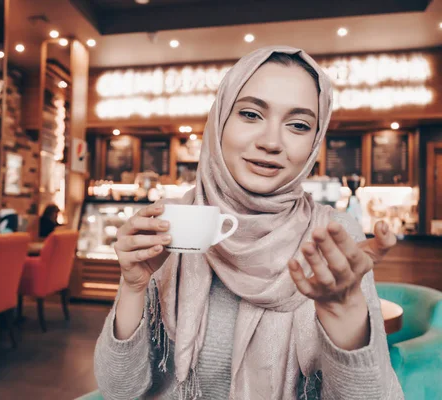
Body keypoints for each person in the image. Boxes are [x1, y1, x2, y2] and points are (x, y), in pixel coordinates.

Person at [94, 46, 403, 400]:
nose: (271, 142)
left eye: (299, 125)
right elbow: (118, 391)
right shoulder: (167, 222)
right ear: (220, 119)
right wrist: (133, 288)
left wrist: (345, 316)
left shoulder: (331, 234)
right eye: (251, 114)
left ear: (315, 142)